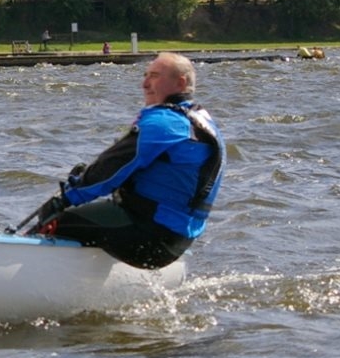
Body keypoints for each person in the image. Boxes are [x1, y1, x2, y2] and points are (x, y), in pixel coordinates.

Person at [28, 52, 225, 269]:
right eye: (145, 75)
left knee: (55, 222)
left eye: (154, 76)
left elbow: (110, 169)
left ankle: (23, 269)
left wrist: (64, 198)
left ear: (180, 83)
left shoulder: (165, 123)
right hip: (175, 241)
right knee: (90, 220)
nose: (145, 84)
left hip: (149, 235)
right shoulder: (200, 121)